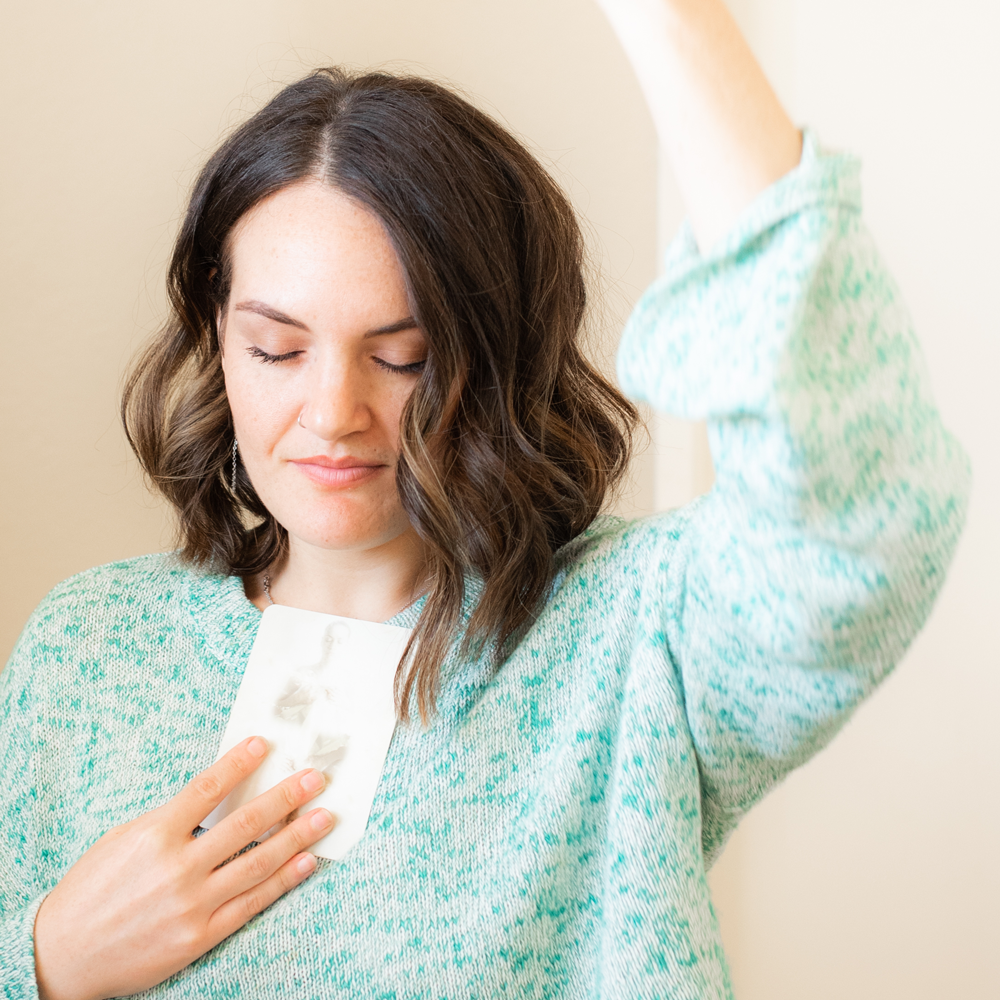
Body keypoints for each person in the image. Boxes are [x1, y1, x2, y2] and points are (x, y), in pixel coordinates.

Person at [0, 0, 970, 997]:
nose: (332, 412)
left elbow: (867, 519)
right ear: (215, 336)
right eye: (276, 349)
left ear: (496, 359)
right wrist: (41, 959)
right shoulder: (87, 650)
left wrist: (672, 21)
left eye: (404, 356)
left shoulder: (629, 640)